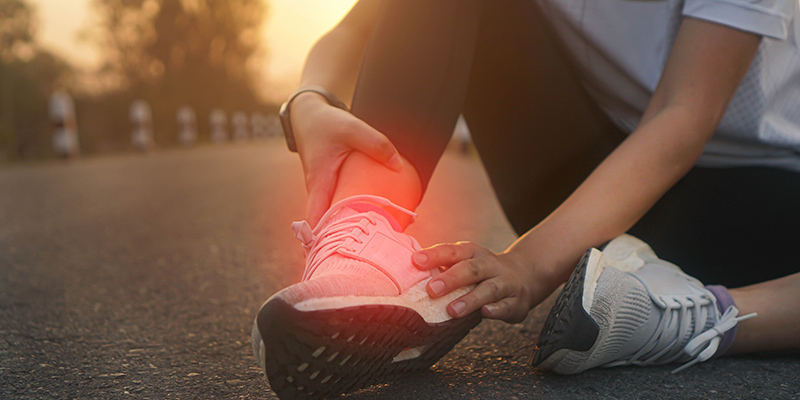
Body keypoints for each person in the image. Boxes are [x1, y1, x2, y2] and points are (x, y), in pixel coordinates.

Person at [251, 1, 800, 398]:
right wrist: (307, 99)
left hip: (751, 202)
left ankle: (699, 317)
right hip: (587, 194)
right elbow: (358, 27)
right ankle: (365, 244)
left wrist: (529, 265)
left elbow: (682, 116)